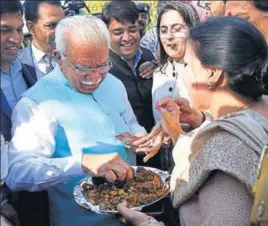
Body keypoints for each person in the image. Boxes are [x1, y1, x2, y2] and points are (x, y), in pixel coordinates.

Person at [117, 16, 268, 226]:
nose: (184, 75)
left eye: (187, 65)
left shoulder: (225, 157)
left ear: (212, 74)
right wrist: (197, 124)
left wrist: (145, 223)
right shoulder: (258, 112)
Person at [5, 15, 144, 226]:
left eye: (102, 65)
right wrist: (81, 162)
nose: (95, 77)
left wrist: (140, 137)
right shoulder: (37, 103)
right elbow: (18, 173)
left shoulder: (114, 83)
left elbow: (130, 121)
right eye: (84, 68)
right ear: (59, 58)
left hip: (135, 214)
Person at [0, 1, 50, 226]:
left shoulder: (29, 73)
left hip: (34, 186)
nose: (15, 38)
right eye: (4, 30)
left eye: (19, 29)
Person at [102, 1, 160, 168]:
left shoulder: (149, 57)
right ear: (106, 33)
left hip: (156, 147)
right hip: (123, 158)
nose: (127, 38)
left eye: (132, 30)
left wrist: (159, 68)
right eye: (118, 32)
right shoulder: (101, 68)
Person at [19, 0, 65, 79]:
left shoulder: (76, 55)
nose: (61, 31)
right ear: (31, 28)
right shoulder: (17, 63)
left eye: (63, 24)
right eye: (51, 25)